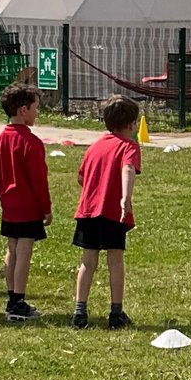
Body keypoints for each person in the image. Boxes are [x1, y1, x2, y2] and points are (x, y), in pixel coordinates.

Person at [72, 94, 141, 330]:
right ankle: (116, 313)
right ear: (131, 124)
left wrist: (95, 188)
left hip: (88, 211)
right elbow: (128, 168)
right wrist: (125, 197)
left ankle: (79, 312)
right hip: (112, 212)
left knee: (87, 261)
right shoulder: (129, 146)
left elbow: (81, 177)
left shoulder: (95, 146)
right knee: (115, 261)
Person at [0, 83, 51, 322]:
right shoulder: (31, 142)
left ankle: (11, 297)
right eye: (36, 107)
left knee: (12, 249)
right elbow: (39, 180)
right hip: (28, 206)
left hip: (9, 204)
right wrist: (46, 208)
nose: (38, 112)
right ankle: (18, 301)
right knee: (24, 252)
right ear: (23, 110)